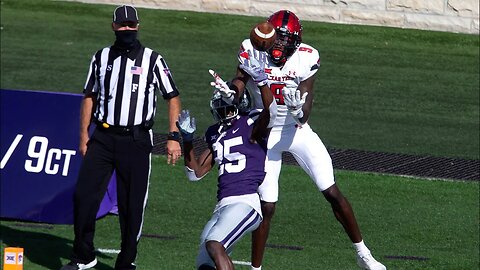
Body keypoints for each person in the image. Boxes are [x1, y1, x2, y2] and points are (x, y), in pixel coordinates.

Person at [211, 10, 387, 270]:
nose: (279, 44)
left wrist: (296, 109)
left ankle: (363, 255)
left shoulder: (307, 57)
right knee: (267, 207)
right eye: (276, 37)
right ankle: (255, 268)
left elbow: (304, 114)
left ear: (295, 41)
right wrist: (232, 91)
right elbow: (240, 79)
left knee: (332, 191)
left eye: (285, 38)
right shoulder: (253, 47)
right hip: (266, 133)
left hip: (295, 130)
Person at [61, 5, 182, 270]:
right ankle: (84, 255)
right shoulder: (101, 57)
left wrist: (174, 135)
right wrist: (84, 134)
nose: (127, 29)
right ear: (114, 26)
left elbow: (172, 96)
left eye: (132, 25)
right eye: (123, 25)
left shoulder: (153, 59)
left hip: (136, 140)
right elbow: (89, 96)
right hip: (103, 137)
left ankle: (126, 262)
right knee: (84, 196)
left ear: (137, 26)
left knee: (131, 205)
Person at [177, 57, 277, 270]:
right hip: (223, 206)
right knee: (204, 263)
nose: (223, 110)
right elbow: (194, 173)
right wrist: (186, 141)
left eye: (227, 106)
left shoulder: (250, 124)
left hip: (246, 203)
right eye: (221, 107)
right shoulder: (216, 133)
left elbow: (272, 113)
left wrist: (261, 81)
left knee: (215, 244)